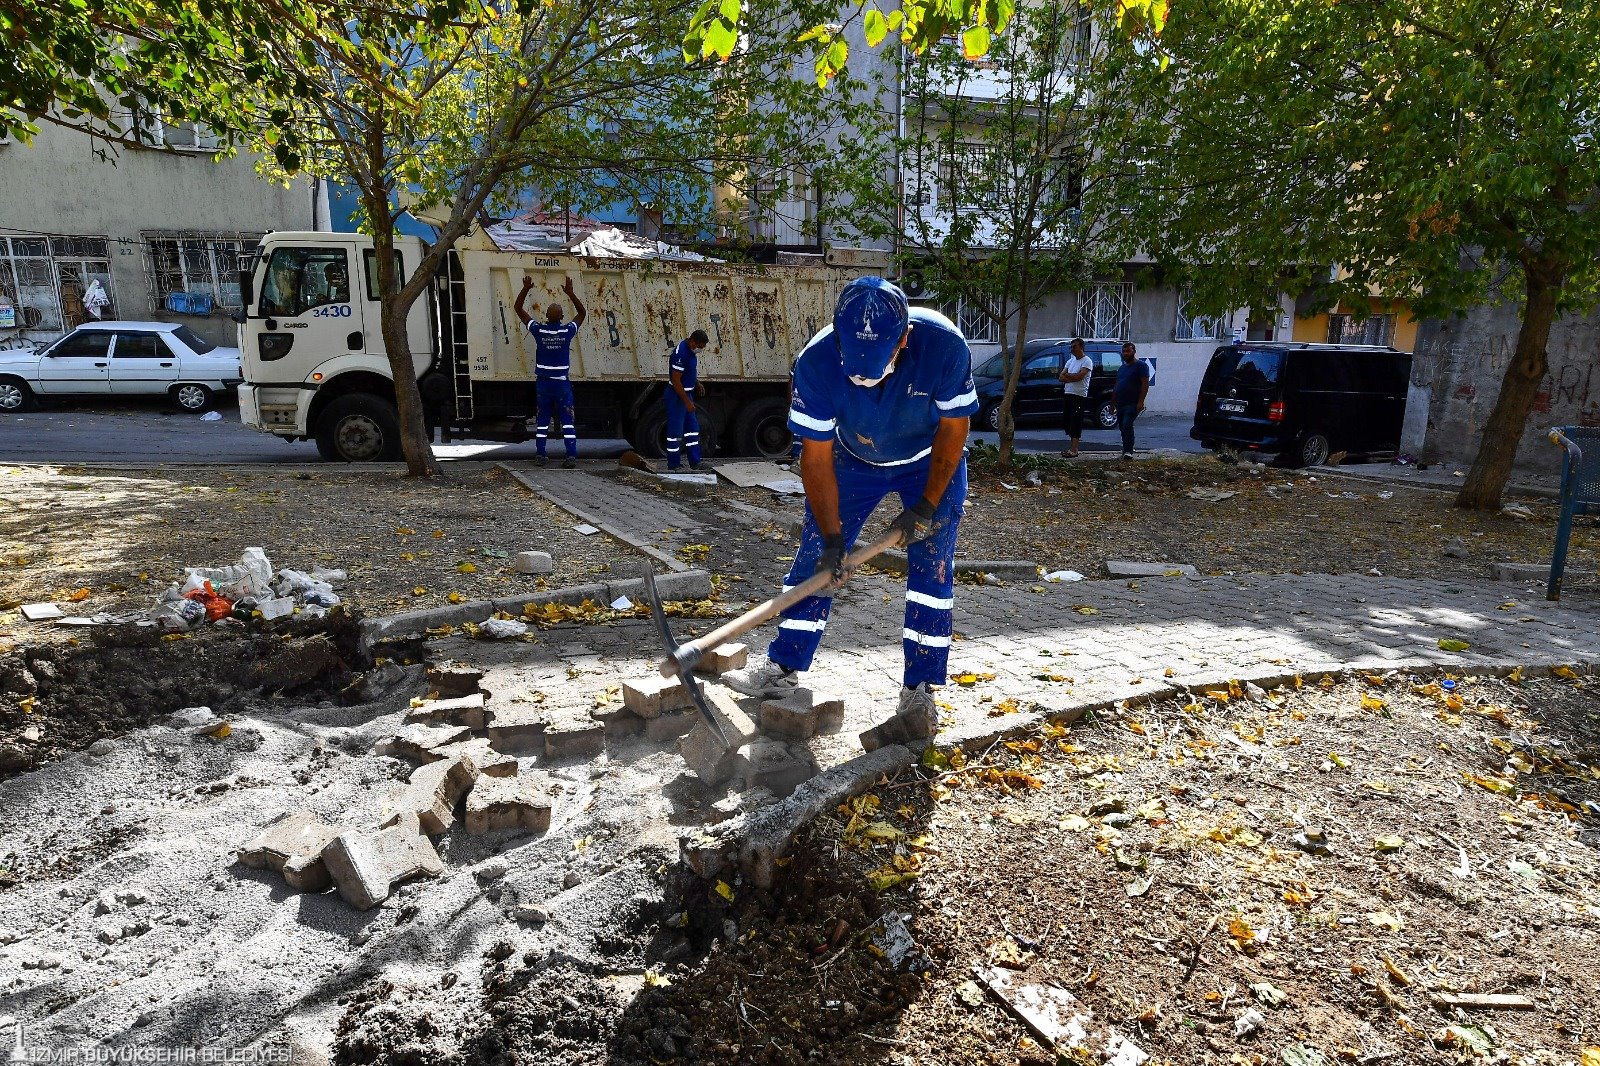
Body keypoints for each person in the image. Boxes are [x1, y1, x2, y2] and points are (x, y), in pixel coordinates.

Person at [723, 277, 977, 743]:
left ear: (903, 339)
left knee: (932, 569)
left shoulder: (943, 346)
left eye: (873, 367)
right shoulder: (816, 362)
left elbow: (954, 430)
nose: (861, 378)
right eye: (853, 365)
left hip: (929, 461)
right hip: (852, 461)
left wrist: (926, 505)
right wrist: (833, 537)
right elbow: (815, 458)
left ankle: (920, 689)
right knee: (814, 559)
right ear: (838, 334)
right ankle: (782, 667)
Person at [515, 276, 586, 468]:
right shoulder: (566, 332)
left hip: (543, 385)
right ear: (562, 317)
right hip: (562, 385)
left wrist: (526, 288)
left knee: (542, 421)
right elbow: (582, 313)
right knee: (567, 421)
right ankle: (570, 456)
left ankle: (540, 454)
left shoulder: (539, 331)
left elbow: (518, 309)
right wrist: (570, 294)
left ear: (546, 316)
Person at [667, 329, 709, 470]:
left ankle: (695, 462)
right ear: (692, 341)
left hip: (687, 394)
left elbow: (688, 371)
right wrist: (687, 402)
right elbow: (676, 380)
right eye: (699, 346)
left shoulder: (691, 352)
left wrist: (696, 383)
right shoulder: (680, 353)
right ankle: (673, 464)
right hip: (676, 397)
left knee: (692, 430)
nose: (700, 349)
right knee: (675, 433)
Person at [1057, 337, 1094, 457]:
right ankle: (1071, 447)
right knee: (1068, 420)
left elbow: (1080, 376)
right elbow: (1061, 377)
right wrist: (1071, 377)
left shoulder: (1087, 361)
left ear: (1081, 347)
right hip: (1068, 393)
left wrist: (1068, 376)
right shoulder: (1070, 361)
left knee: (1076, 421)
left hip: (1079, 395)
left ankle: (1074, 449)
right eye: (1071, 347)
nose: (1072, 349)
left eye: (1075, 346)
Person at [1114, 340, 1150, 458]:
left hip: (1133, 402)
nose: (1125, 353)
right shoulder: (1121, 368)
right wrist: (1112, 402)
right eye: (1124, 351)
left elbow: (1145, 384)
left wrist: (1141, 401)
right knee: (1122, 426)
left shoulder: (1141, 366)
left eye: (1128, 351)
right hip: (1121, 402)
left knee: (1127, 423)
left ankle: (1128, 451)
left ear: (1134, 352)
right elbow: (1117, 385)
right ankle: (1125, 449)